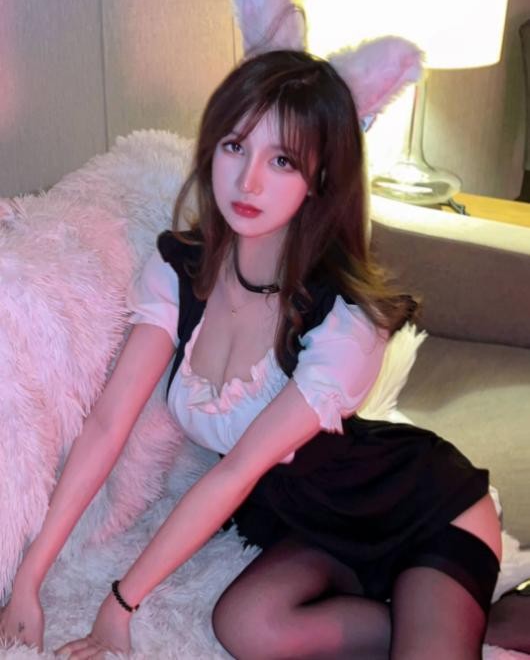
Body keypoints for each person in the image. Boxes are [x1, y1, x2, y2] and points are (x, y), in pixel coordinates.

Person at [0, 50, 504, 659]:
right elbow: (108, 424)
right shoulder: (179, 273)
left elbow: (236, 469)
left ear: (320, 178)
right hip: (307, 526)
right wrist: (28, 581)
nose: (248, 181)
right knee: (245, 627)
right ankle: (440, 617)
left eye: (282, 160)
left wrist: (120, 605)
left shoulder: (345, 321)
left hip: (419, 507)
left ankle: (480, 617)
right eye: (236, 146)